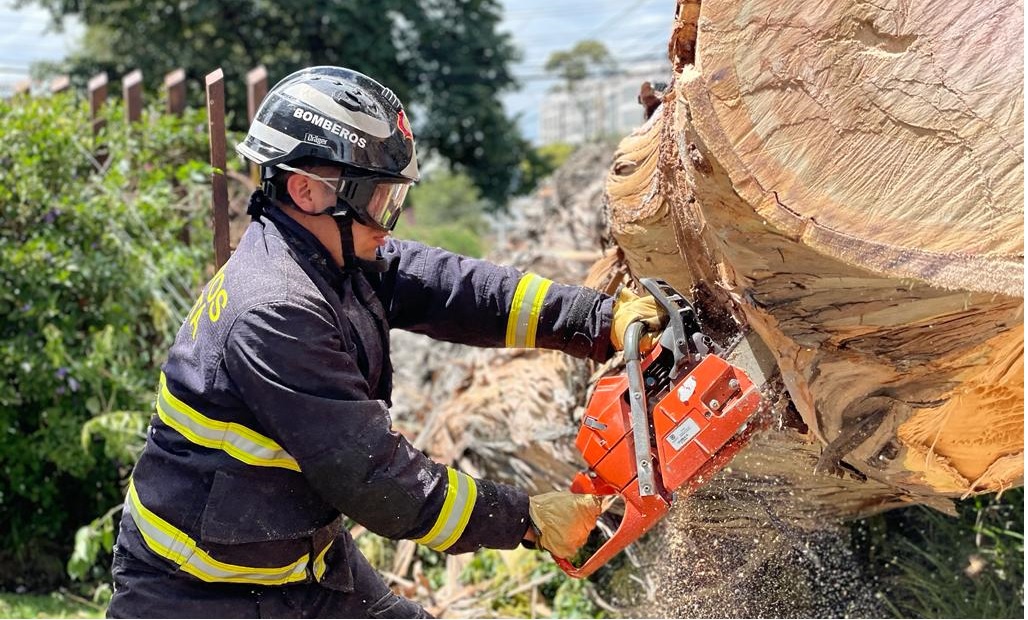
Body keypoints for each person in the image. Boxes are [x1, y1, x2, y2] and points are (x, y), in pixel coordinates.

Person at [106, 66, 666, 618]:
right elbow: (377, 479)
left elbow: (459, 290)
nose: (387, 226)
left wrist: (597, 319)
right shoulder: (276, 311)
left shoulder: (331, 259)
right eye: (377, 201)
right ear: (306, 191)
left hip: (298, 569)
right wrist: (523, 519)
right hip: (195, 591)